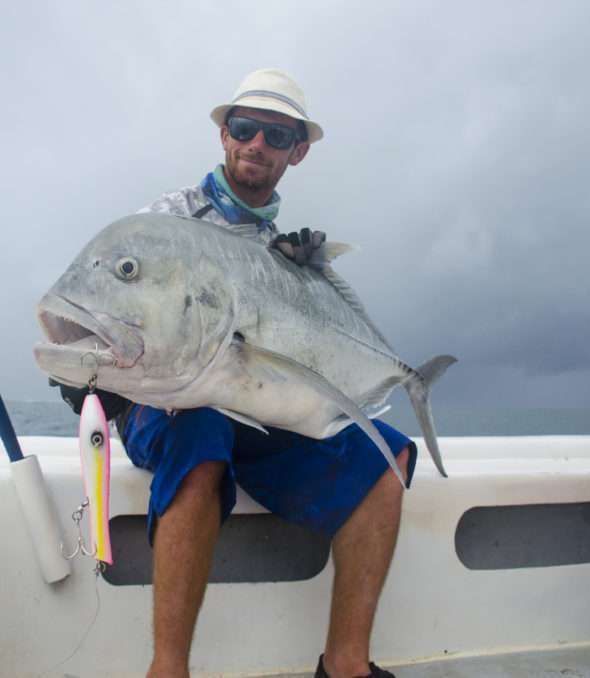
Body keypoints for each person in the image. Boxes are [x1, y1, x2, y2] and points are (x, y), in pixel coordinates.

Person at [60, 68, 415, 678]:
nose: (257, 144)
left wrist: (307, 283)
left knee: (386, 459)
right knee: (200, 438)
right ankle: (168, 670)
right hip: (167, 400)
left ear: (297, 152)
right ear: (225, 134)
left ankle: (345, 664)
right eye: (245, 128)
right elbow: (115, 296)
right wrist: (86, 360)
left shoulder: (279, 248)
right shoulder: (168, 220)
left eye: (276, 136)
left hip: (247, 401)